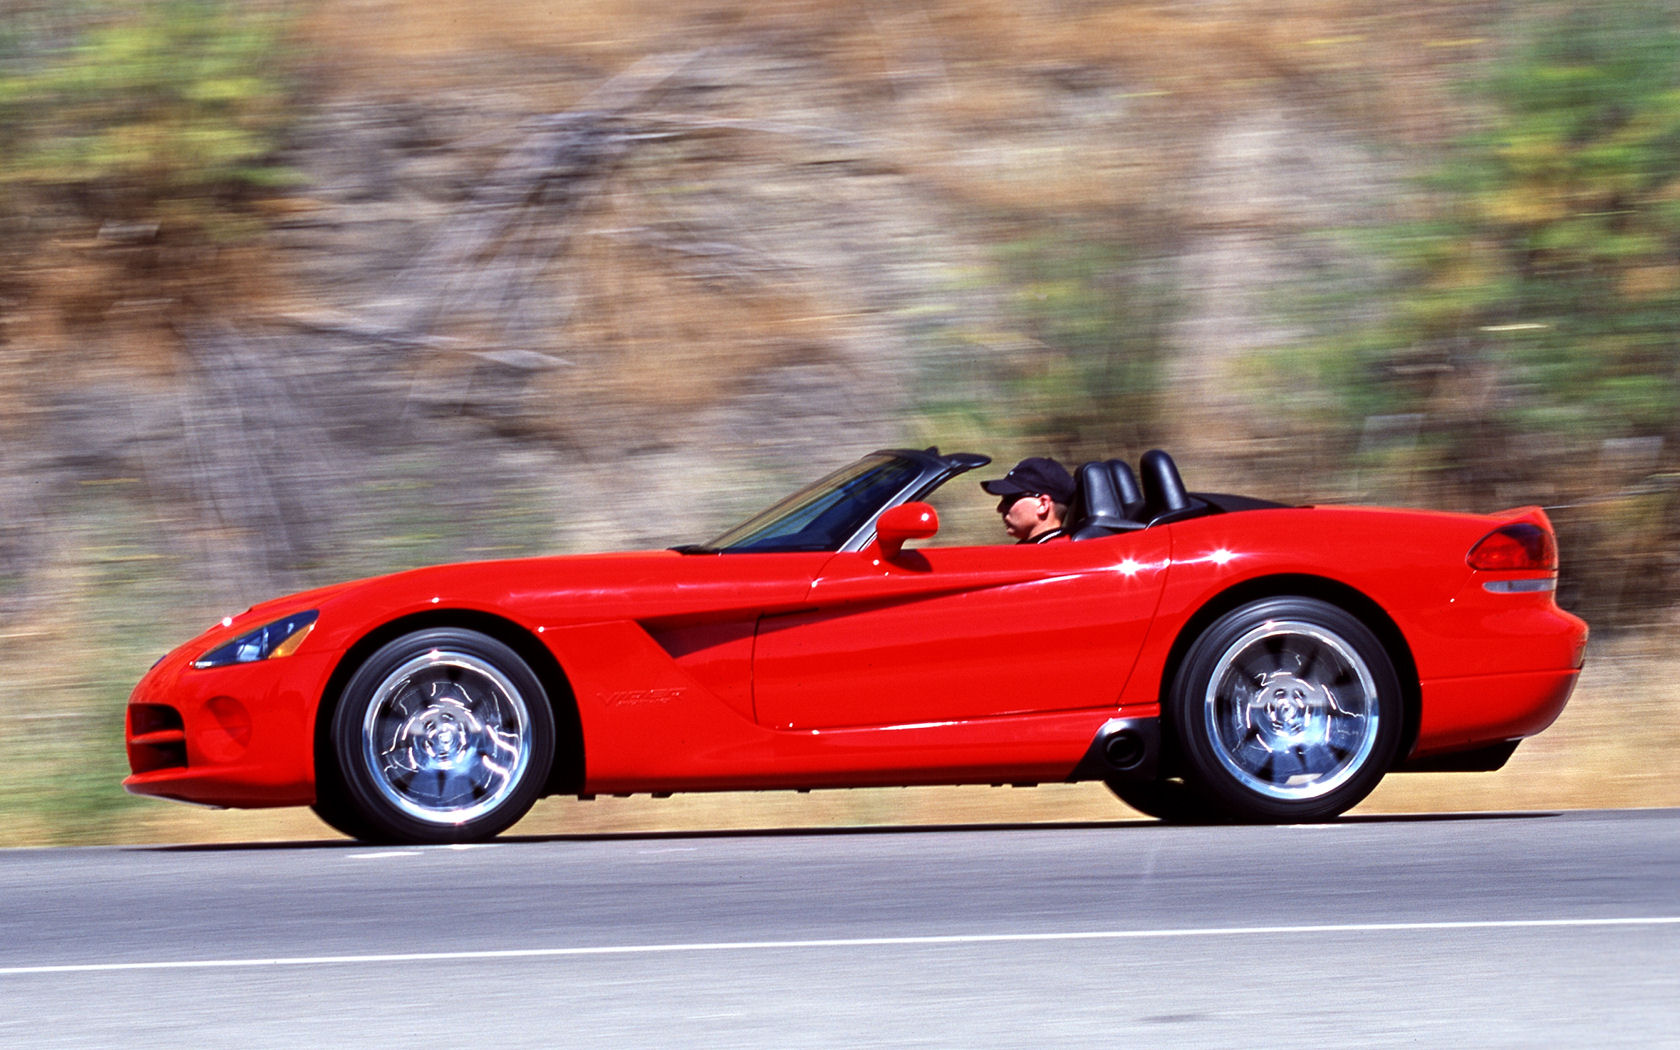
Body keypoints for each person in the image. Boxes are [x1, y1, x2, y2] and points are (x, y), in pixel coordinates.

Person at [980, 456, 1074, 543]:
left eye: (1009, 499)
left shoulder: (1056, 555)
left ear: (1043, 504)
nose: (999, 508)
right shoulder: (1033, 549)